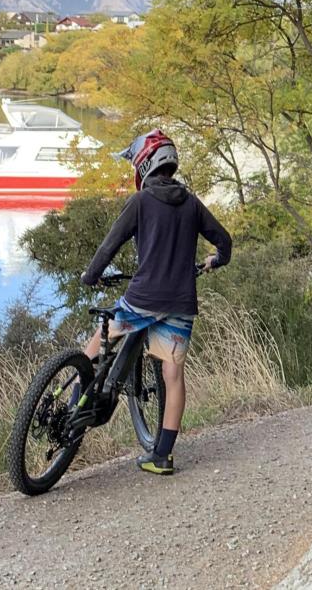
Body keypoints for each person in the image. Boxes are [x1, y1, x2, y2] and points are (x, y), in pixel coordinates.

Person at [80, 129, 232, 474]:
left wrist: (91, 276)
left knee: (100, 338)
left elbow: (109, 246)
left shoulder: (140, 202)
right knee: (173, 373)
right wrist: (214, 260)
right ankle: (161, 456)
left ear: (143, 164)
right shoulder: (192, 203)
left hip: (143, 298)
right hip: (180, 302)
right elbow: (224, 241)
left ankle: (76, 402)